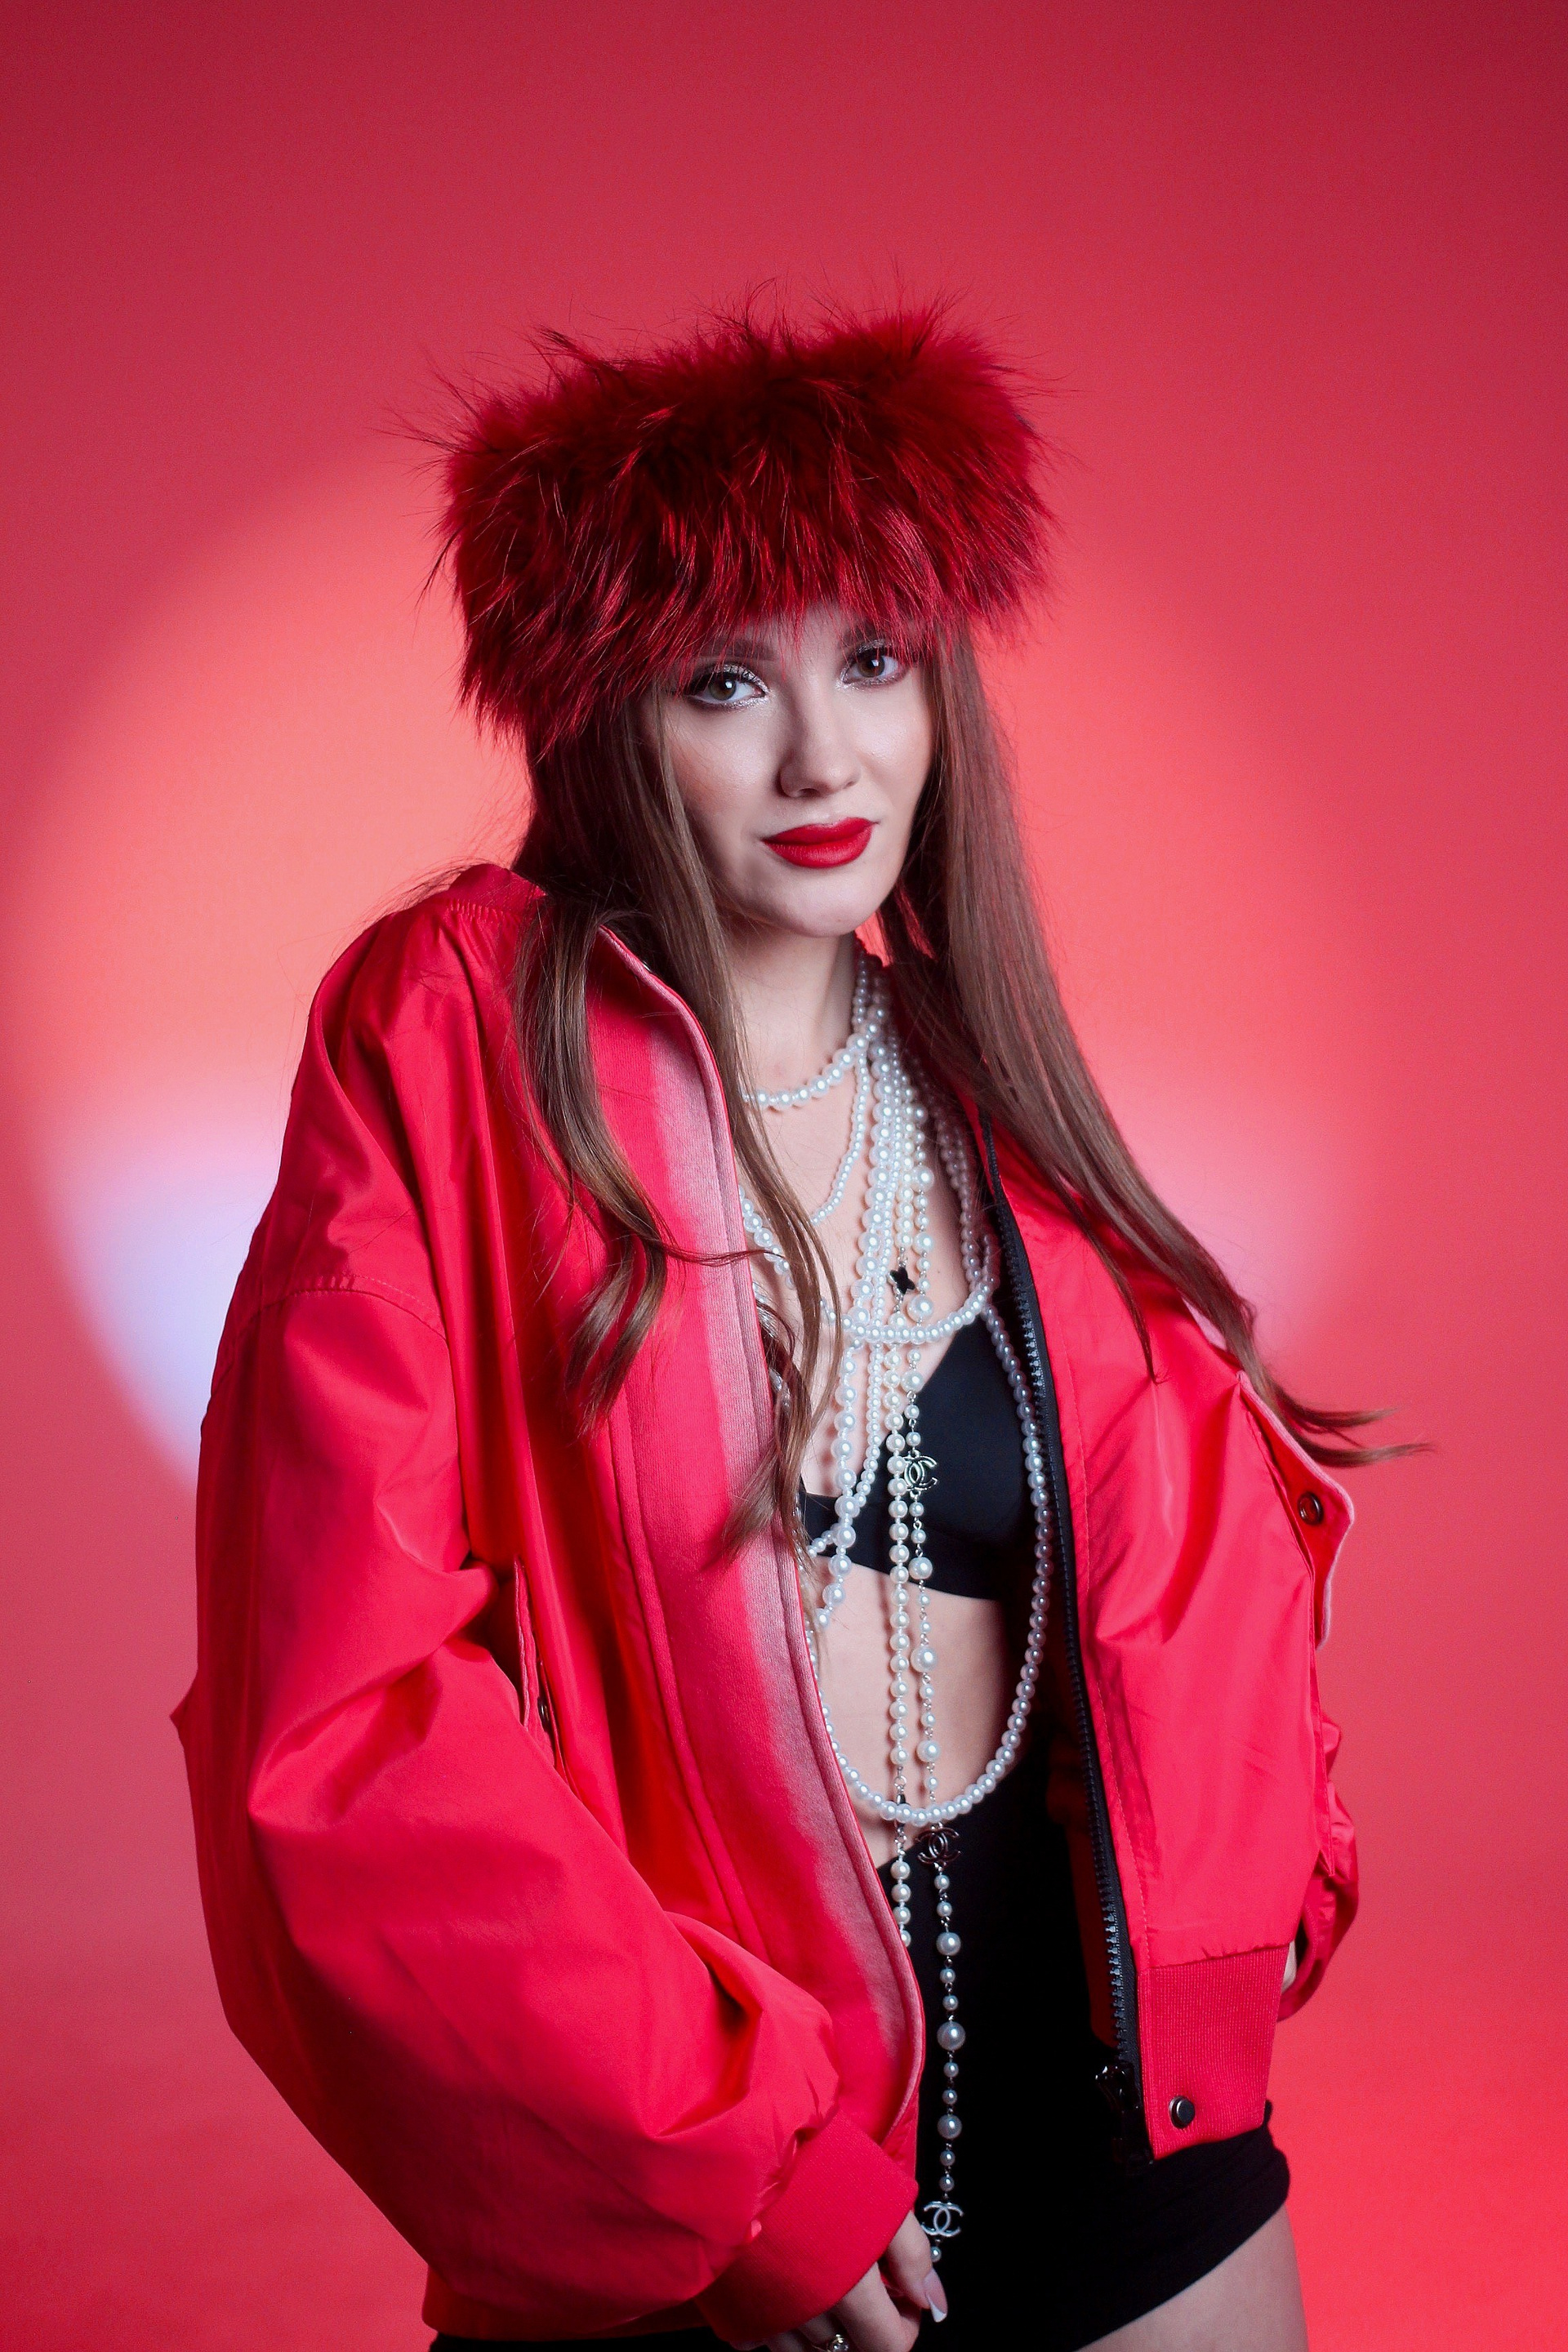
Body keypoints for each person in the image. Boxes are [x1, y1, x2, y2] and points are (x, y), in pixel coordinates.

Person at [176, 310, 1370, 2352]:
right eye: (727, 682)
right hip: (704, 2201)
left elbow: (1197, 1583)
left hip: (1129, 2170)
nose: (827, 759)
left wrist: (1257, 1912)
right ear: (598, 715)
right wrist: (727, 2174)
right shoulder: (452, 1041)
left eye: (875, 662)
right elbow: (343, 1720)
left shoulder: (994, 1104)